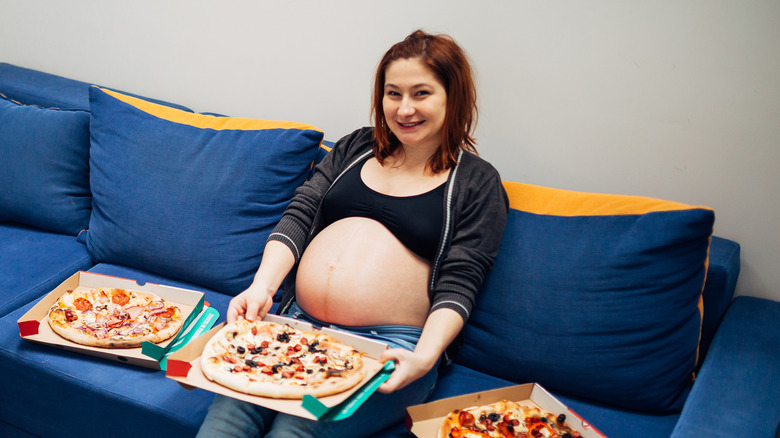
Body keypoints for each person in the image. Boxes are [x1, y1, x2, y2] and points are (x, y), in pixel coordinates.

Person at [197, 29, 509, 438]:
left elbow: (462, 279)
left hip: (392, 347)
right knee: (228, 419)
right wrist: (261, 288)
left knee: (294, 429)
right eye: (393, 93)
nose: (404, 108)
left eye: (421, 93)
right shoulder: (354, 148)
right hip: (294, 326)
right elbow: (299, 216)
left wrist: (426, 357)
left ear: (453, 97)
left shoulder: (476, 182)